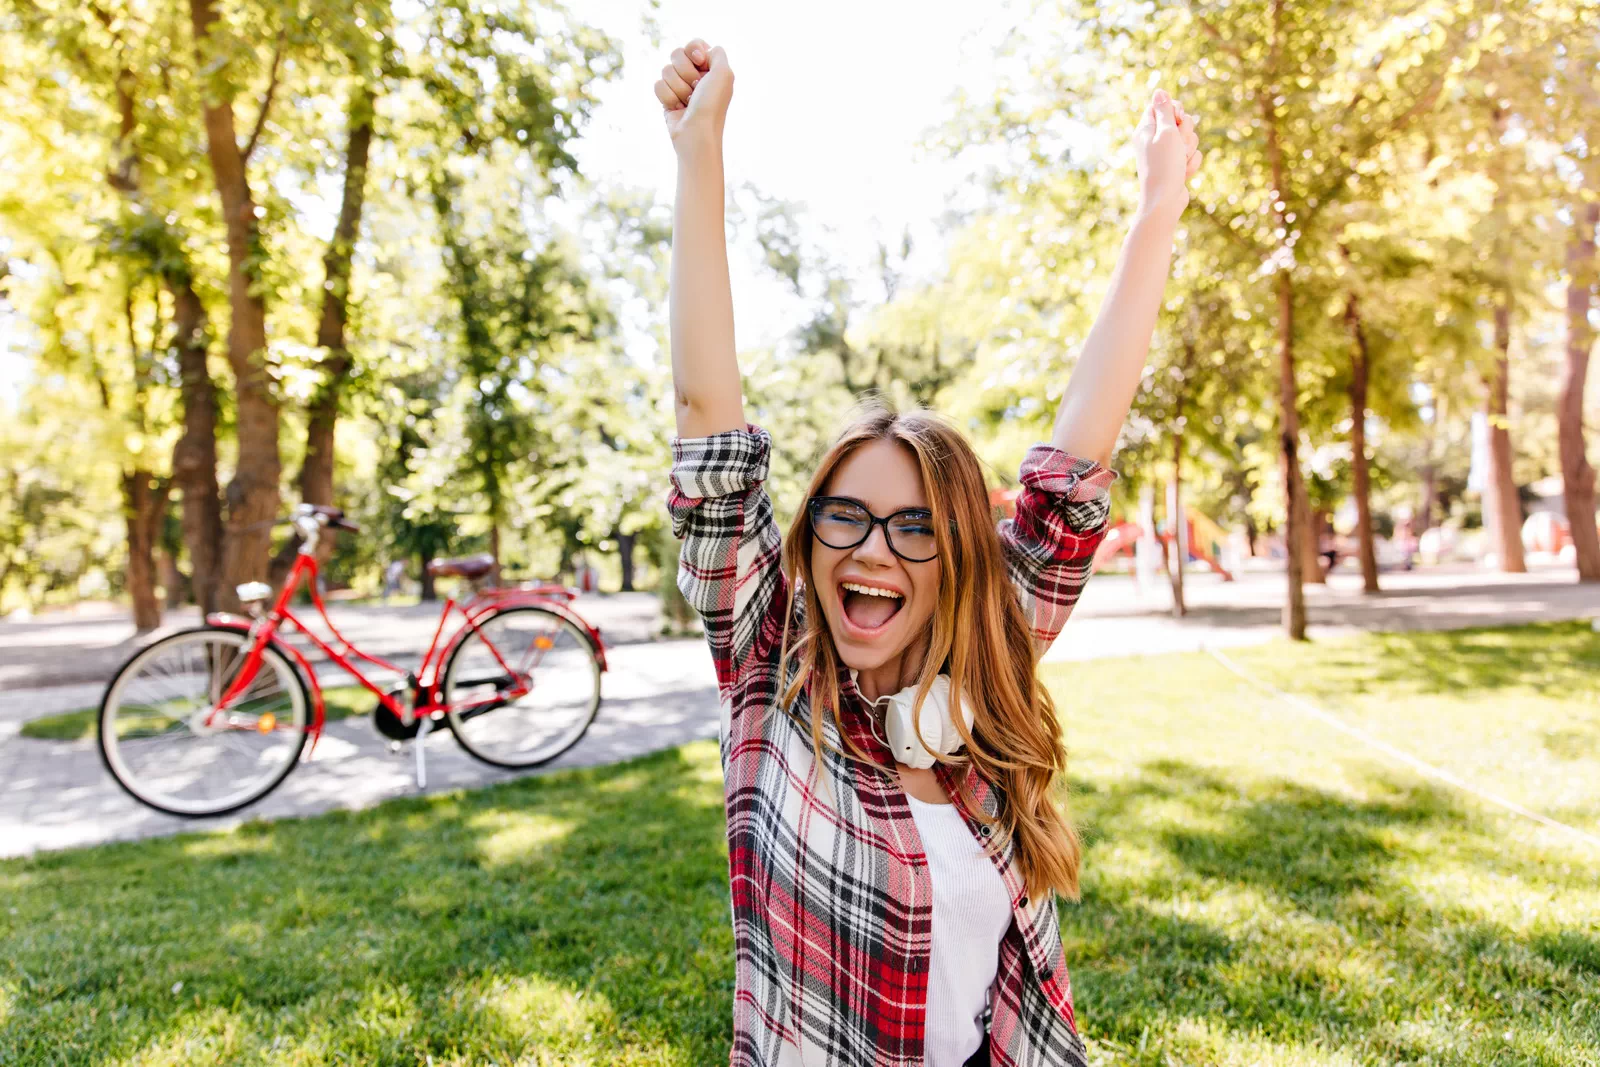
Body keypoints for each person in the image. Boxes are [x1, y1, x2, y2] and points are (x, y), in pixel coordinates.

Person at [659, 38, 1201, 1067]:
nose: (874, 551)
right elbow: (706, 422)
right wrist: (699, 154)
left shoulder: (985, 659)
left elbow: (1075, 459)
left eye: (915, 526)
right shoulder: (770, 670)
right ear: (810, 531)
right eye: (845, 516)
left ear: (956, 559)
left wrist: (1156, 211)